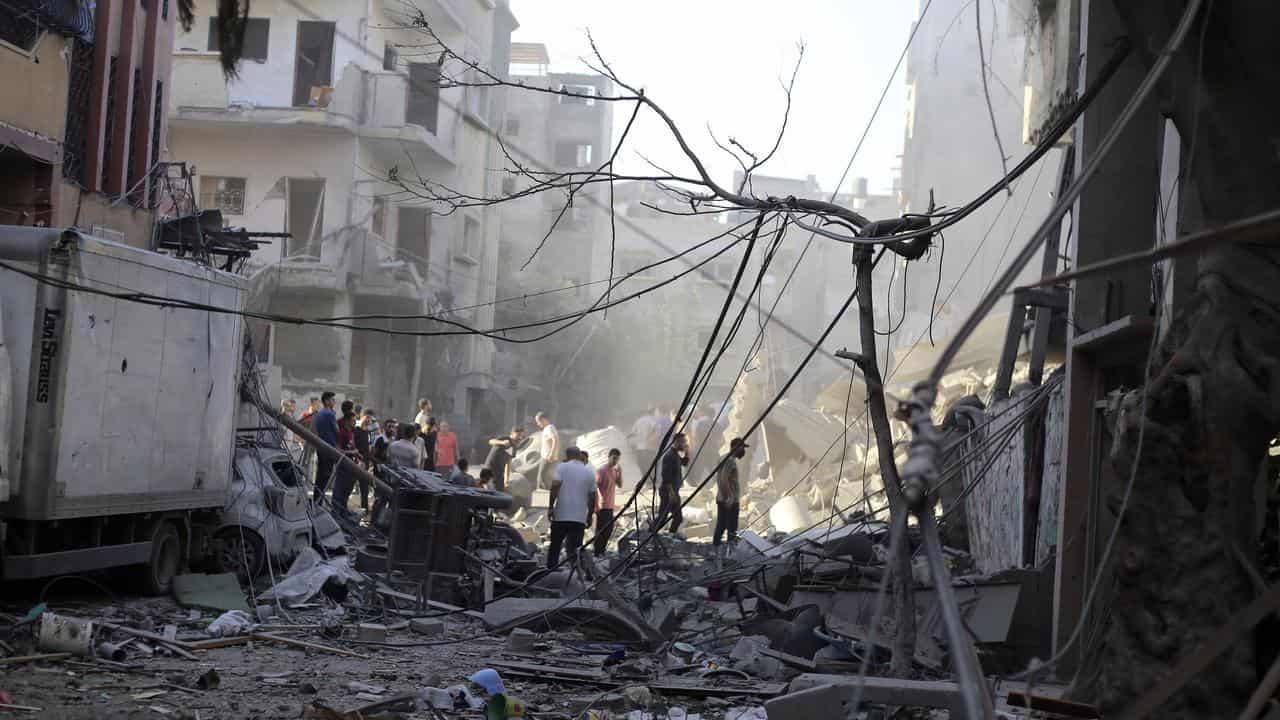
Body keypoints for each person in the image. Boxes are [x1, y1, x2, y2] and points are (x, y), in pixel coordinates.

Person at [547, 447, 597, 569]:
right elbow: (592, 496)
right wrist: (589, 515)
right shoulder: (589, 472)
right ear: (579, 456)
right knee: (575, 549)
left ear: (567, 455)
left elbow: (555, 487)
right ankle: (575, 575)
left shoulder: (562, 467)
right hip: (579, 518)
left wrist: (550, 507)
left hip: (561, 515)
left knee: (555, 546)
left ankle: (550, 572)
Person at [714, 437, 749, 552]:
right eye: (742, 448)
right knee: (732, 527)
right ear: (735, 447)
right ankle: (730, 551)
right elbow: (724, 479)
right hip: (729, 499)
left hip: (722, 497)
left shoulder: (723, 458)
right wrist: (729, 497)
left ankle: (716, 547)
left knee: (722, 525)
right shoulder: (730, 460)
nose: (743, 451)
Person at [655, 433, 689, 535]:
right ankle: (650, 534)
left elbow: (684, 463)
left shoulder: (675, 455)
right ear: (676, 442)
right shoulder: (669, 456)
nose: (684, 444)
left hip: (673, 491)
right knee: (662, 518)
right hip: (668, 492)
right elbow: (666, 477)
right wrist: (671, 493)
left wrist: (687, 452)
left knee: (677, 518)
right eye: (682, 442)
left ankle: (671, 536)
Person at [332, 400, 361, 514]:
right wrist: (352, 452)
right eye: (353, 420)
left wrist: (357, 454)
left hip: (352, 463)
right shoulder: (341, 430)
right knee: (340, 487)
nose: (355, 422)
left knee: (347, 488)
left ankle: (343, 510)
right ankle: (336, 511)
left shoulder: (351, 430)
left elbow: (352, 444)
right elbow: (338, 449)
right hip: (343, 463)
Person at [593, 448, 623, 557]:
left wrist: (620, 472)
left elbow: (619, 484)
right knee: (602, 530)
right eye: (614, 458)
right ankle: (597, 552)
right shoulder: (601, 470)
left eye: (617, 459)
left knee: (609, 529)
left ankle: (601, 550)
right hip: (602, 506)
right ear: (609, 457)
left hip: (610, 505)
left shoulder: (614, 471)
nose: (615, 461)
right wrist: (596, 505)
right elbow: (594, 487)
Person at [313, 392, 339, 502]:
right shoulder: (329, 414)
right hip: (329, 448)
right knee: (325, 476)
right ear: (327, 401)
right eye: (333, 400)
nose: (334, 402)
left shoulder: (320, 413)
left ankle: (317, 500)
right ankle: (319, 501)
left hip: (321, 447)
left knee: (320, 476)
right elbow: (337, 430)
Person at [484, 427, 525, 494]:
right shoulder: (506, 438)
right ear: (512, 433)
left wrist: (506, 480)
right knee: (493, 490)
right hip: (490, 468)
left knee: (501, 491)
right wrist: (502, 442)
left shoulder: (514, 447)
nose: (520, 438)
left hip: (500, 472)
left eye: (521, 436)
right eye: (518, 435)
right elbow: (491, 441)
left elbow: (508, 464)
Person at [534, 412, 559, 490]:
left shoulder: (549, 428)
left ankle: (543, 497)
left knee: (541, 478)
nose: (538, 424)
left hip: (547, 458)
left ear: (544, 419)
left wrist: (551, 454)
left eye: (538, 421)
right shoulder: (548, 428)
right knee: (543, 478)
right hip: (547, 457)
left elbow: (555, 439)